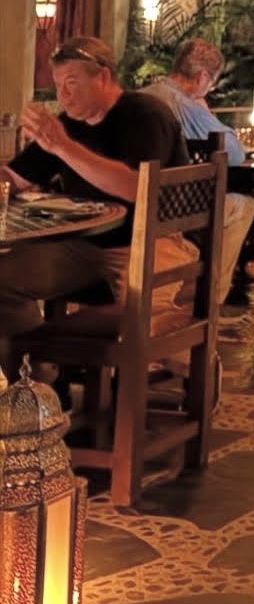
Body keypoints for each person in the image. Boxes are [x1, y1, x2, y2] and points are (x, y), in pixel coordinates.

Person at [0, 35, 189, 368]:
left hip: (152, 243)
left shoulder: (144, 114)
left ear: (102, 77)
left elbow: (138, 187)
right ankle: (39, 383)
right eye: (58, 85)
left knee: (148, 324)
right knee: (3, 279)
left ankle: (178, 373)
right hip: (85, 246)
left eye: (72, 83)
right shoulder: (68, 126)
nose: (63, 95)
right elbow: (15, 178)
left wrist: (62, 147)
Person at [147, 37, 254, 303]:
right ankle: (209, 297)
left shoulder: (144, 96)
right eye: (211, 82)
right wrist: (204, 110)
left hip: (137, 199)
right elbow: (234, 152)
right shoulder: (186, 105)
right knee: (243, 205)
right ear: (202, 76)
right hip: (173, 209)